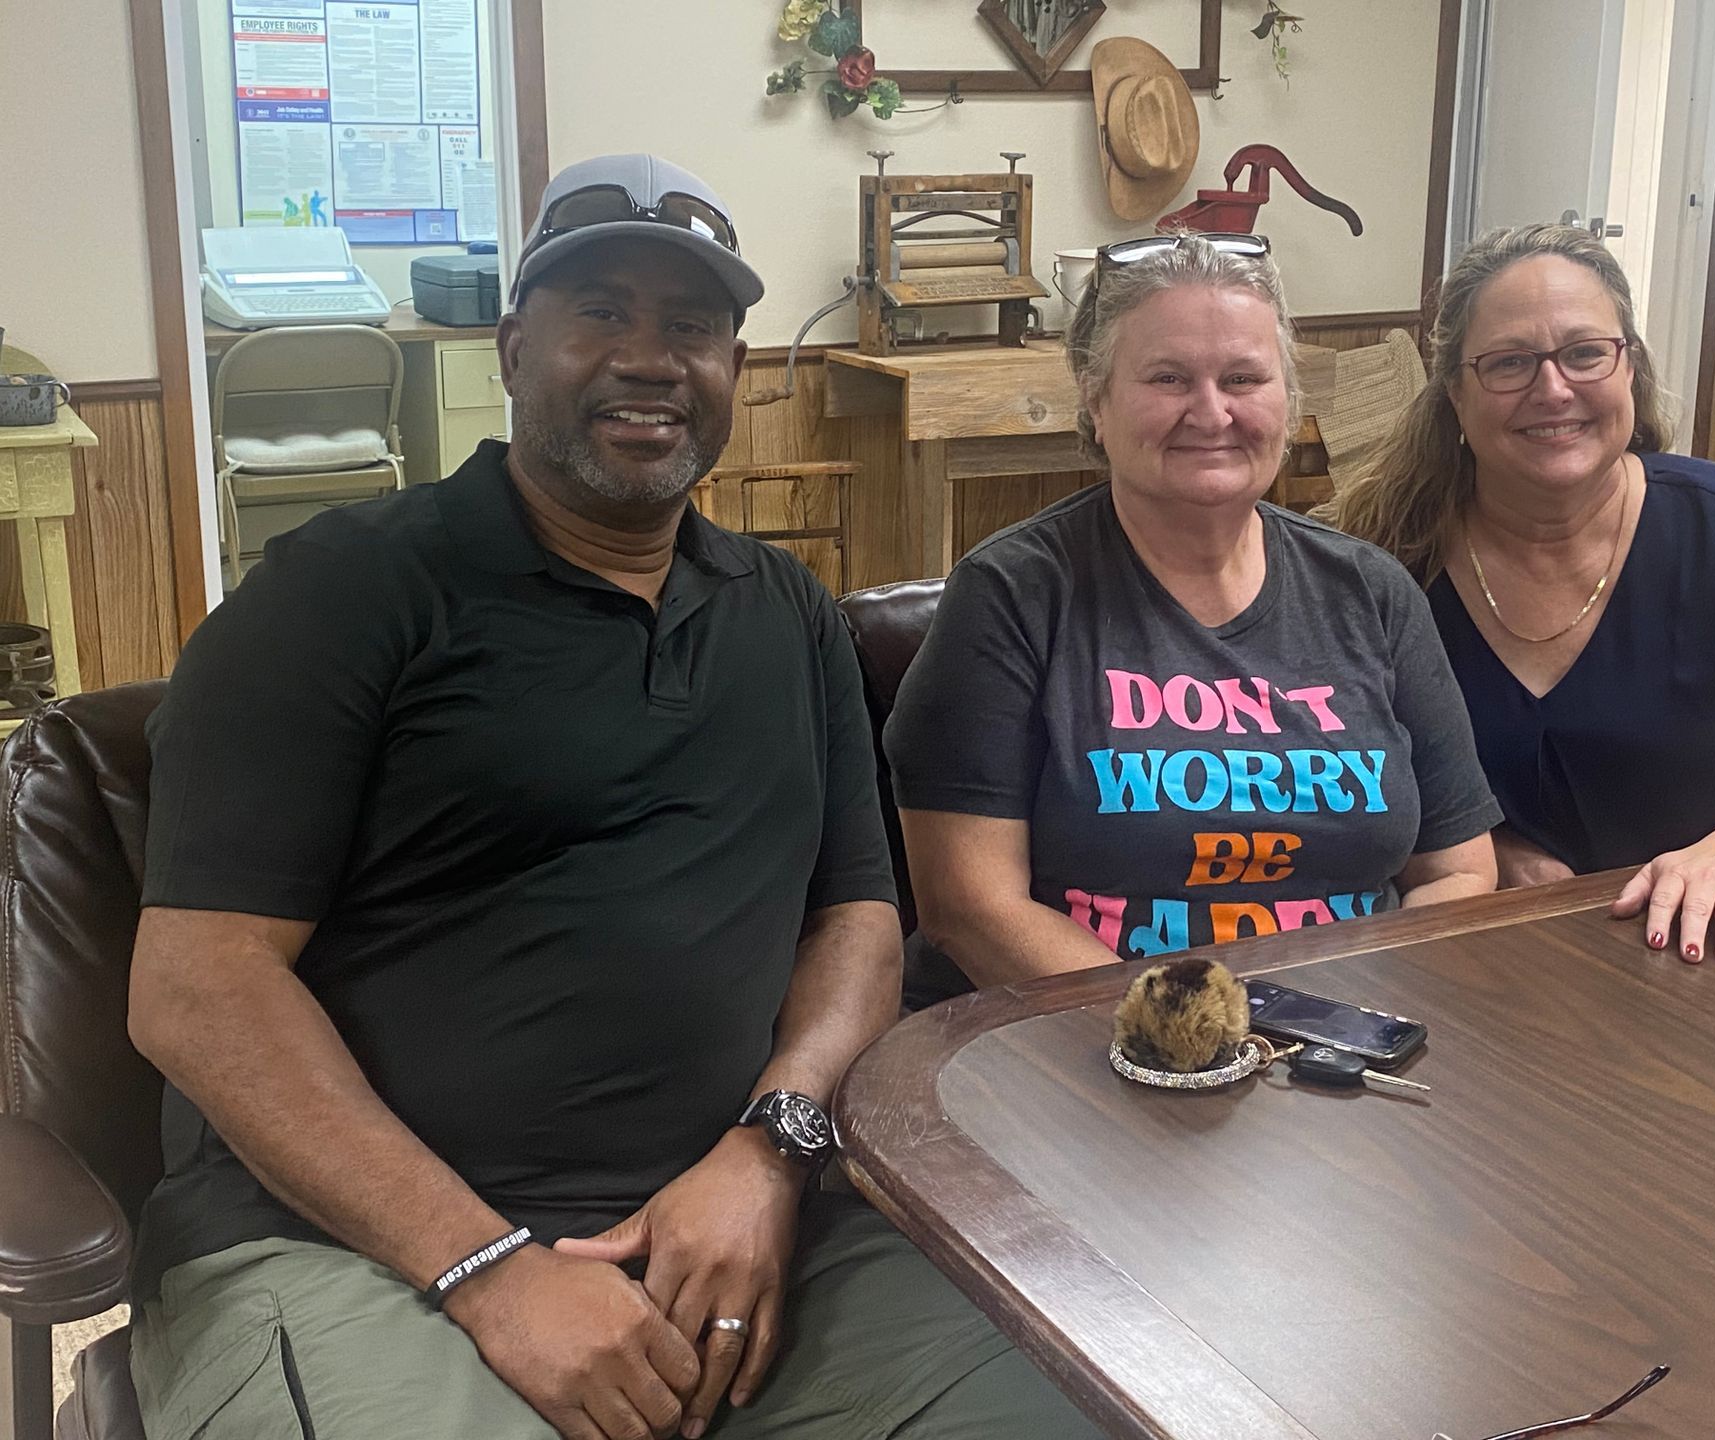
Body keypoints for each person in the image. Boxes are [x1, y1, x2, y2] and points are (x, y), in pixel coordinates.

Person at [126, 154, 1101, 1440]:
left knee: (1096, 1407)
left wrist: (772, 1148)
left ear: (734, 373)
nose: (651, 359)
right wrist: (485, 1266)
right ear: (514, 345)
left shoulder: (792, 620)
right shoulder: (340, 595)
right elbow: (200, 987)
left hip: (741, 1231)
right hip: (355, 1252)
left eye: (691, 327)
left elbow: (858, 919)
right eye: (601, 313)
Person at [884, 233, 1500, 990]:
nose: (1211, 412)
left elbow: (1459, 871)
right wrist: (1193, 1038)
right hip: (1075, 1045)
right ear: (1097, 401)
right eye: (1168, 378)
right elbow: (970, 908)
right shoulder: (1013, 594)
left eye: (1243, 378)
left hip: (1342, 1043)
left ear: (1288, 400)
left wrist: (1347, 1023)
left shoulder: (1371, 592)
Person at [1326, 223, 1715, 965]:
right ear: (1454, 392)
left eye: (1584, 353)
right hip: (1500, 968)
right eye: (1510, 363)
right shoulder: (1387, 565)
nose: (1553, 389)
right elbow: (1349, 789)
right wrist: (1488, 853)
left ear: (1629, 366)